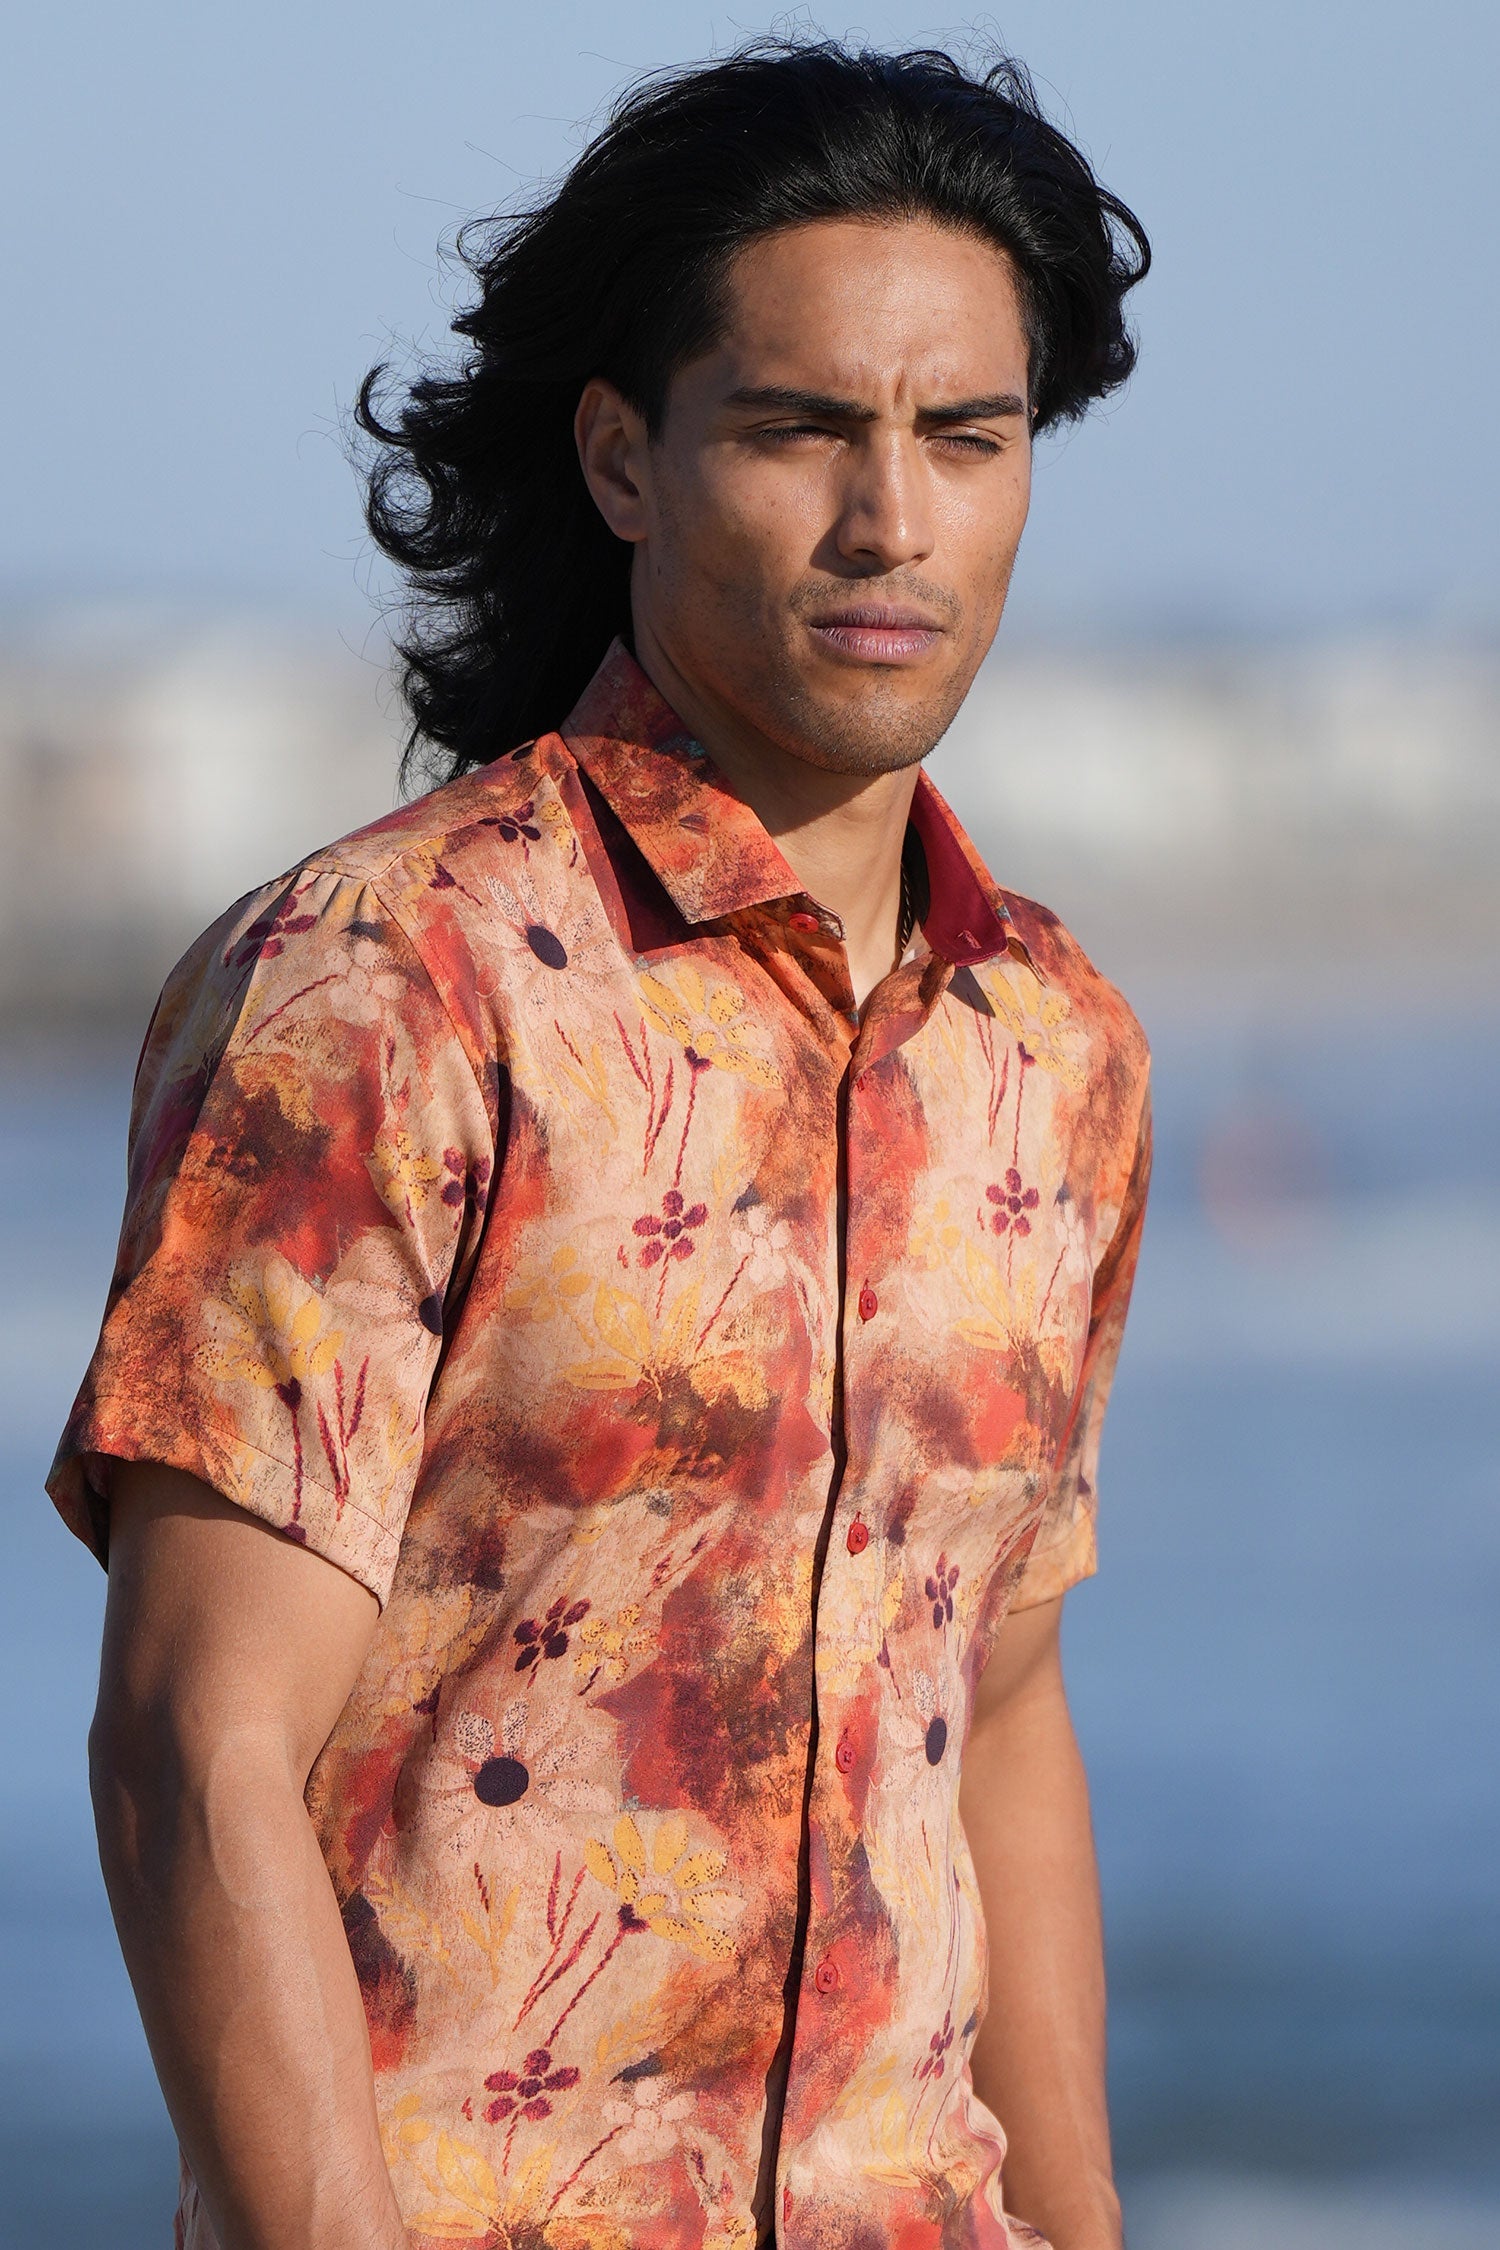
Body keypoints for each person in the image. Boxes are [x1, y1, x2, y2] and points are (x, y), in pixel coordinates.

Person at [53, 38, 1152, 2250]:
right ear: (625, 460)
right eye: (801, 428)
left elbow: (1001, 1704)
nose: (892, 521)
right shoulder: (396, 982)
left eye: (966, 435)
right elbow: (192, 1742)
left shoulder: (1052, 1047)